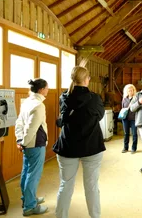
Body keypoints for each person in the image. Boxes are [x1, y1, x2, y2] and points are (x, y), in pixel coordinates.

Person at [53, 66, 105, 218]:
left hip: (68, 146)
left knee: (65, 185)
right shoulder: (94, 98)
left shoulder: (64, 97)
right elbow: (100, 116)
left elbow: (62, 119)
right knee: (92, 187)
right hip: (92, 146)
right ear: (86, 79)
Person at [15, 78, 49, 216]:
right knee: (33, 175)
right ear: (41, 90)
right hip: (35, 144)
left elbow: (19, 122)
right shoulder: (38, 105)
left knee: (26, 172)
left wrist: (19, 140)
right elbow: (31, 128)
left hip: (27, 143)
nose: (48, 90)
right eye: (47, 88)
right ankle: (30, 206)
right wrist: (24, 142)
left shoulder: (27, 101)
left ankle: (28, 199)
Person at [121, 84, 138, 154]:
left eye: (132, 90)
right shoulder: (124, 99)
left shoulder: (136, 99)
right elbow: (122, 108)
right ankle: (125, 148)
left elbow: (138, 108)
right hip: (125, 119)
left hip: (134, 119)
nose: (130, 91)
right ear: (127, 91)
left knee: (134, 134)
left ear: (134, 91)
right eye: (129, 90)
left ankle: (134, 148)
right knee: (126, 134)